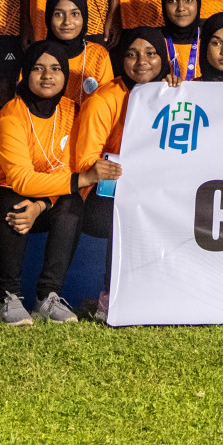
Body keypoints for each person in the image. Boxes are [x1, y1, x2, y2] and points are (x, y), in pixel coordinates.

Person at [0, 41, 113, 325]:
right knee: (15, 203)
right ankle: (10, 298)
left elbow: (66, 171)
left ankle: (48, 297)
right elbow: (20, 180)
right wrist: (81, 179)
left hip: (42, 195)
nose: (47, 76)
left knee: (71, 203)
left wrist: (41, 205)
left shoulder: (71, 110)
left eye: (56, 69)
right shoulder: (11, 116)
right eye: (38, 69)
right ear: (24, 74)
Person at [73, 27, 169, 319]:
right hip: (101, 194)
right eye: (132, 54)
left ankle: (164, 293)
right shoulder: (104, 99)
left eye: (151, 53)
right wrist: (121, 170)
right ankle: (110, 295)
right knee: (131, 210)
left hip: (149, 189)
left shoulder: (169, 94)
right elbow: (85, 161)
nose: (142, 61)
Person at [45, 0, 113, 102]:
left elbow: (107, 103)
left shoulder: (98, 55)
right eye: (58, 14)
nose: (67, 21)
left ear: (84, 17)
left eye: (75, 14)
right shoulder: (38, 56)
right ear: (48, 18)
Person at [161, 0, 203, 81]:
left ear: (198, 2)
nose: (181, 7)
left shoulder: (211, 40)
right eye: (172, 0)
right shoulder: (155, 42)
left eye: (188, 0)